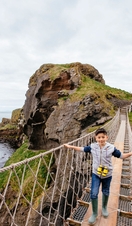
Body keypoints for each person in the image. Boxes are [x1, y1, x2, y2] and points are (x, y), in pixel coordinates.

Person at [64, 128, 132, 225]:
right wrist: (70, 146)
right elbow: (81, 149)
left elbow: (121, 156)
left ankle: (104, 208)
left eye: (103, 137)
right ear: (95, 138)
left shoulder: (111, 148)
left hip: (107, 175)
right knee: (94, 193)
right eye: (99, 137)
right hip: (96, 174)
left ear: (106, 137)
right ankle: (95, 213)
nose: (101, 139)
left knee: (105, 191)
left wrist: (130, 153)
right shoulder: (92, 147)